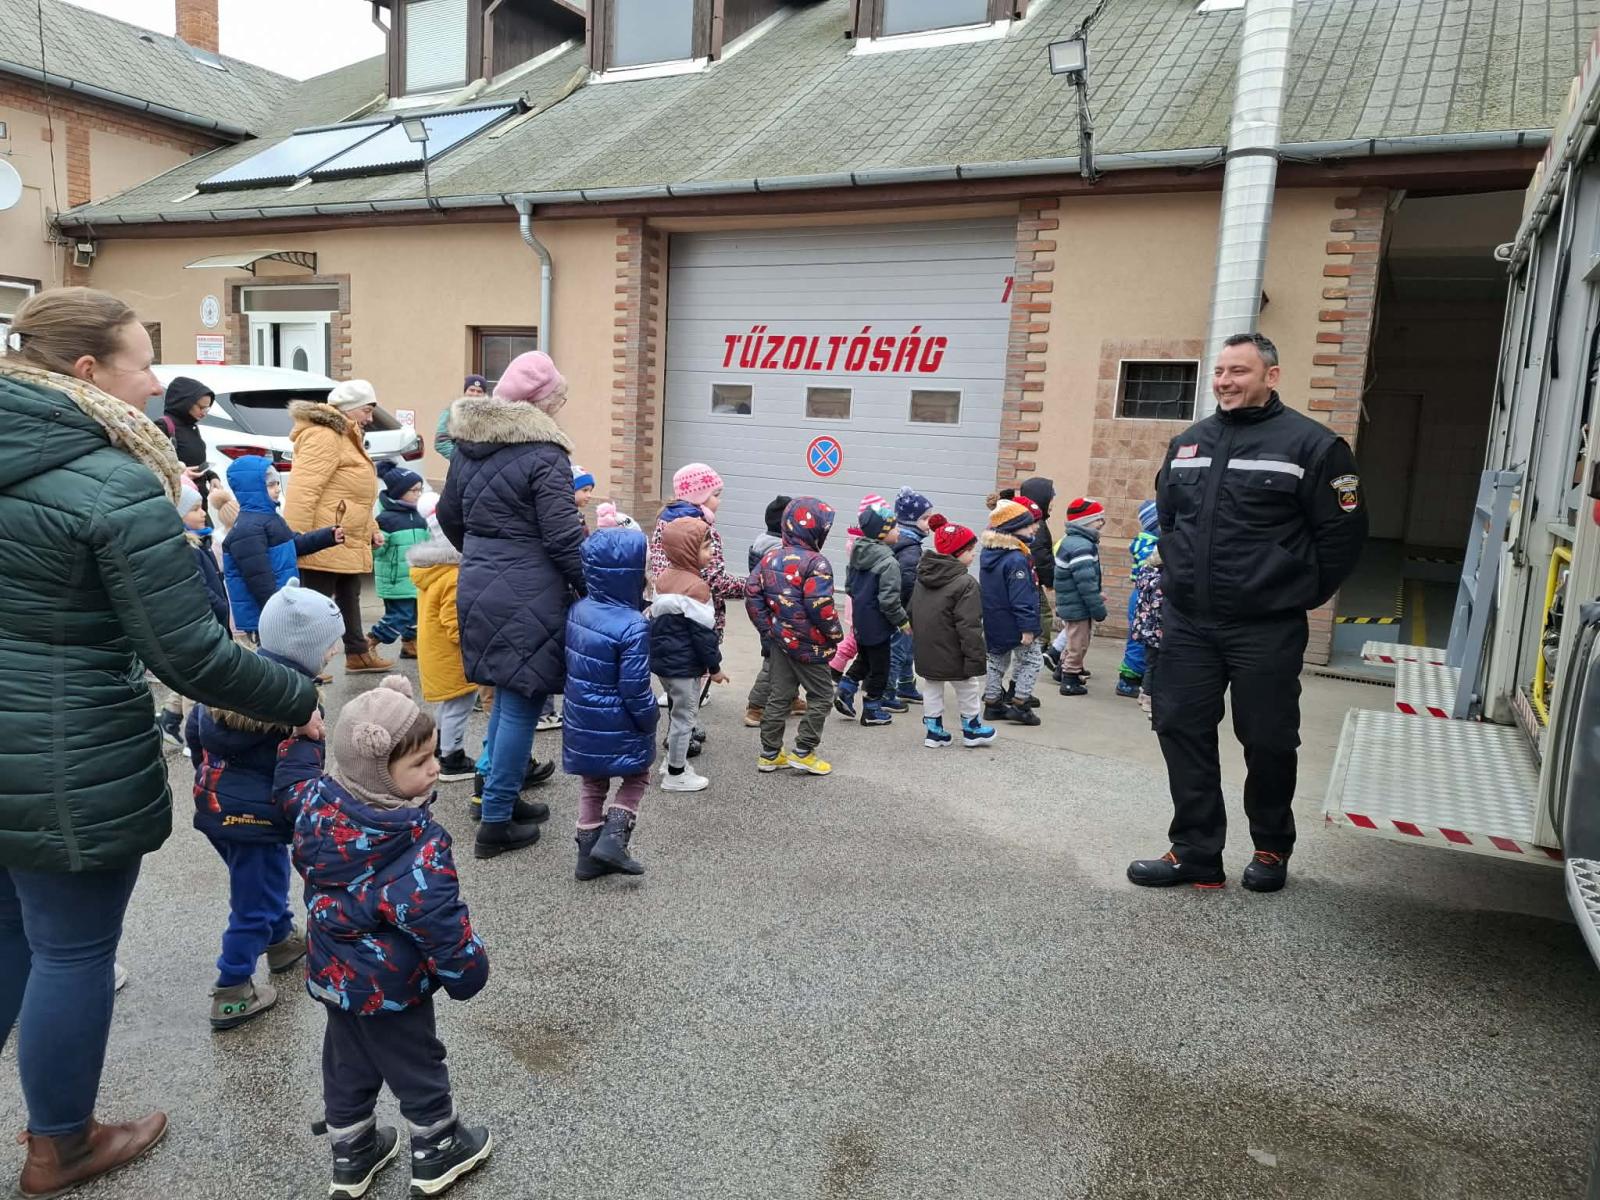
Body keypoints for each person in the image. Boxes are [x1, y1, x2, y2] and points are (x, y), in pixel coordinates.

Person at [0, 287, 318, 1197]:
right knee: (70, 950)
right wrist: (297, 698)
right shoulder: (112, 482)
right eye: (142, 363)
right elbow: (189, 653)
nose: (156, 383)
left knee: (9, 932)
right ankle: (62, 1146)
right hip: (65, 754)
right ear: (87, 371)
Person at [1128, 332, 1367, 893]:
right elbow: (1169, 519)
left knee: (1268, 740)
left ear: (1271, 376)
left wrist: (1294, 591)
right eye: (1219, 372)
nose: (1224, 382)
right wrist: (1180, 574)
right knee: (1179, 727)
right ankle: (1195, 853)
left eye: (1238, 371)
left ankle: (1271, 847)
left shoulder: (1313, 447)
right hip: (1190, 623)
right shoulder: (1189, 443)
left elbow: (1343, 535)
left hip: (1266, 626)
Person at [284, 676, 493, 1198]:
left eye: (434, 755)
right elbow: (437, 919)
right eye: (420, 763)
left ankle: (352, 1152)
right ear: (379, 774)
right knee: (414, 1059)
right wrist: (468, 971)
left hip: (333, 974)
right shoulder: (413, 843)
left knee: (346, 1061)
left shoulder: (315, 807)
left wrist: (300, 740)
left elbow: (291, 782)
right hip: (391, 983)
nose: (435, 768)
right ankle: (438, 1145)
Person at [439, 350, 582, 859]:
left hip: (479, 581)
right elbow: (564, 537)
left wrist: (484, 554)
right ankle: (496, 820)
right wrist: (595, 587)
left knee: (506, 693)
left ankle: (494, 792)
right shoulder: (544, 453)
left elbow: (449, 516)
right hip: (530, 589)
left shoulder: (467, 448)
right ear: (541, 402)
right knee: (522, 698)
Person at [186, 586, 342, 1029]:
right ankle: (232, 988)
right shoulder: (299, 709)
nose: (333, 653)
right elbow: (301, 777)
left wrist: (209, 779)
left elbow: (194, 732)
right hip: (258, 819)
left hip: (216, 808)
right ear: (305, 651)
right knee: (253, 902)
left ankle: (280, 940)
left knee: (260, 881)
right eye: (329, 646)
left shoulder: (229, 682)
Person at [564, 528, 659, 878]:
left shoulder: (578, 609)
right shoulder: (633, 624)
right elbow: (634, 687)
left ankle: (587, 857)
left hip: (582, 716)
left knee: (593, 783)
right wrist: (649, 717)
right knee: (637, 775)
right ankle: (614, 838)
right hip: (619, 718)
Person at [284, 380, 390, 673]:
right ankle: (302, 663)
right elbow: (303, 490)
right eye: (366, 411)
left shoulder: (347, 435)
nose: (370, 418)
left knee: (349, 591)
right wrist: (298, 540)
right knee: (315, 603)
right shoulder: (324, 435)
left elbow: (357, 495)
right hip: (323, 536)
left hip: (344, 534)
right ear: (349, 408)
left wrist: (371, 528)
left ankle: (357, 653)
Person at [746, 498, 843, 775]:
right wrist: (835, 634)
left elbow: (752, 594)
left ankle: (769, 753)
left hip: (780, 641)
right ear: (816, 531)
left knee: (779, 695)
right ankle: (804, 750)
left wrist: (768, 628)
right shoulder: (817, 563)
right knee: (822, 695)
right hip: (811, 645)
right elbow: (820, 606)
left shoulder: (770, 557)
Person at [221, 455, 342, 642]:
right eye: (271, 485)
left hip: (280, 607)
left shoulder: (271, 519)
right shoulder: (248, 529)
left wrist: (328, 536)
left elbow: (293, 544)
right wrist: (279, 611)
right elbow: (259, 579)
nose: (278, 489)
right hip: (268, 616)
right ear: (253, 489)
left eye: (277, 483)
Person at [651, 518, 727, 793]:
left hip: (663, 664)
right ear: (687, 551)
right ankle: (676, 773)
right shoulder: (697, 588)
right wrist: (715, 668)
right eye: (706, 547)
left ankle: (671, 762)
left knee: (676, 711)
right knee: (685, 717)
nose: (711, 552)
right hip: (684, 666)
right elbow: (704, 636)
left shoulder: (663, 579)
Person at [155, 483, 233, 747]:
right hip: (197, 624)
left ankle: (169, 718)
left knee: (195, 676)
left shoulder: (199, 542)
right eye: (196, 509)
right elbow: (198, 588)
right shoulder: (184, 549)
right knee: (198, 686)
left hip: (207, 622)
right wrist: (221, 607)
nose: (203, 514)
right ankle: (196, 738)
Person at [910, 517, 996, 749]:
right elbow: (969, 625)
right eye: (969, 550)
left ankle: (934, 731)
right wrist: (975, 658)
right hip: (955, 649)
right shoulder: (965, 583)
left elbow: (912, 610)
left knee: (932, 687)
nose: (974, 554)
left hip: (927, 648)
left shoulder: (923, 576)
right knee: (967, 687)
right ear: (957, 553)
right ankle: (972, 728)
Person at [409, 517, 481, 786]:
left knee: (448, 705)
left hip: (435, 653)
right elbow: (455, 623)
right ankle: (452, 758)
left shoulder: (432, 571)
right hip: (452, 657)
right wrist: (474, 644)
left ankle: (440, 746)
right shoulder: (453, 575)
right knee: (459, 706)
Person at [647, 463, 746, 643]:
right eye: (716, 495)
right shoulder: (701, 530)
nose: (719, 501)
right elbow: (716, 581)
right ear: (699, 496)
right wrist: (750, 586)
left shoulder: (664, 520)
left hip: (666, 614)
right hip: (698, 617)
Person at [839, 499, 907, 727]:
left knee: (865, 658)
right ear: (882, 533)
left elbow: (849, 587)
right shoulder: (889, 562)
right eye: (895, 528)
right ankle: (872, 710)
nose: (899, 532)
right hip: (878, 623)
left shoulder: (857, 552)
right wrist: (903, 621)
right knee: (880, 668)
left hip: (860, 619)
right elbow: (889, 600)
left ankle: (845, 689)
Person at [980, 497, 1044, 726]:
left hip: (994, 619)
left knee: (997, 661)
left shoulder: (989, 552)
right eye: (1028, 525)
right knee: (1033, 660)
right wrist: (1028, 628)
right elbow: (1022, 596)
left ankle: (992, 703)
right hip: (1015, 622)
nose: (1033, 528)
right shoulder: (1016, 558)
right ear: (1013, 528)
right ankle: (1020, 703)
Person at [367, 461, 430, 659]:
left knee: (417, 614)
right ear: (399, 492)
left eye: (420, 490)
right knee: (399, 617)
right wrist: (375, 545)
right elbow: (376, 552)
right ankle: (369, 642)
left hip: (416, 577)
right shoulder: (386, 519)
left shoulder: (420, 516)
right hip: (395, 580)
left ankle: (410, 644)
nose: (418, 494)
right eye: (413, 490)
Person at [743, 494, 793, 727]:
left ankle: (790, 698)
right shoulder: (779, 550)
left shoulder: (761, 542)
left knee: (788, 656)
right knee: (773, 659)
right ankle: (756, 706)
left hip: (765, 610)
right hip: (774, 612)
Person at [1052, 497, 1109, 697]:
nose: (1102, 523)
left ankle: (1063, 669)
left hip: (1072, 602)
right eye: (1098, 519)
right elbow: (1086, 583)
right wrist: (1098, 608)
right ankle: (1069, 679)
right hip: (1078, 605)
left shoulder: (1073, 541)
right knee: (1079, 643)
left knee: (1073, 638)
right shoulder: (1081, 546)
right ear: (1085, 522)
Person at [889, 486, 934, 705]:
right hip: (904, 612)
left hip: (905, 611)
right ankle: (887, 693)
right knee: (898, 652)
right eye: (925, 519)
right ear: (909, 521)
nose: (929, 523)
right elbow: (907, 584)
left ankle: (906, 685)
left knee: (907, 650)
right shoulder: (910, 550)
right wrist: (908, 614)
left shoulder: (906, 543)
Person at [1117, 500, 1162, 698]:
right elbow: (1152, 565)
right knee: (1138, 639)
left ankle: (1141, 676)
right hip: (1143, 597)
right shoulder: (1147, 545)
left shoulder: (1149, 541)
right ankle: (1128, 680)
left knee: (1145, 638)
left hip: (1146, 595)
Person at [1017, 477, 1059, 673]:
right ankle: (1040, 646)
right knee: (1044, 612)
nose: (1053, 504)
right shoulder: (1037, 525)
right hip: (1031, 580)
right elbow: (1041, 557)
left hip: (1032, 578)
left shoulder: (1035, 522)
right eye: (1051, 499)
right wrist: (1050, 580)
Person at [157, 375, 215, 499]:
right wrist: (181, 475)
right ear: (185, 403)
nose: (204, 413)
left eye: (207, 408)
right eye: (201, 407)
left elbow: (194, 463)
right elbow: (154, 467)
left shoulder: (191, 426)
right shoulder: (163, 426)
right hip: (181, 498)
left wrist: (212, 476)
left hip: (198, 497)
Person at [1130, 544, 1165, 717]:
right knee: (1156, 666)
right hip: (1156, 630)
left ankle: (1144, 692)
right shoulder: (1160, 580)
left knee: (1151, 663)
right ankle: (1148, 698)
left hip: (1144, 628)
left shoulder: (1145, 573)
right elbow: (1159, 607)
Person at [434, 375, 487, 463]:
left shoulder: (489, 415)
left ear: (484, 394)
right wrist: (460, 460)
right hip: (461, 467)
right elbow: (441, 442)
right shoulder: (452, 412)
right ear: (465, 392)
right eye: (471, 390)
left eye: (479, 391)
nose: (475, 394)